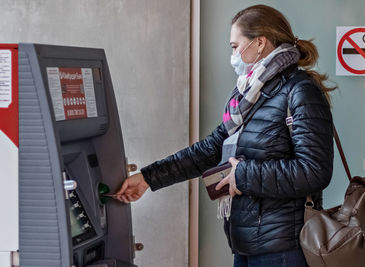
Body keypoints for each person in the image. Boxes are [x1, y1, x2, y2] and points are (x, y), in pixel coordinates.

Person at [115, 4, 335, 267]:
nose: (232, 54)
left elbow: (315, 171)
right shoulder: (248, 96)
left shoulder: (300, 91)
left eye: (234, 46)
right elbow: (208, 150)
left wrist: (244, 175)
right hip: (245, 244)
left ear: (260, 43)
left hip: (283, 249)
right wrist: (148, 178)